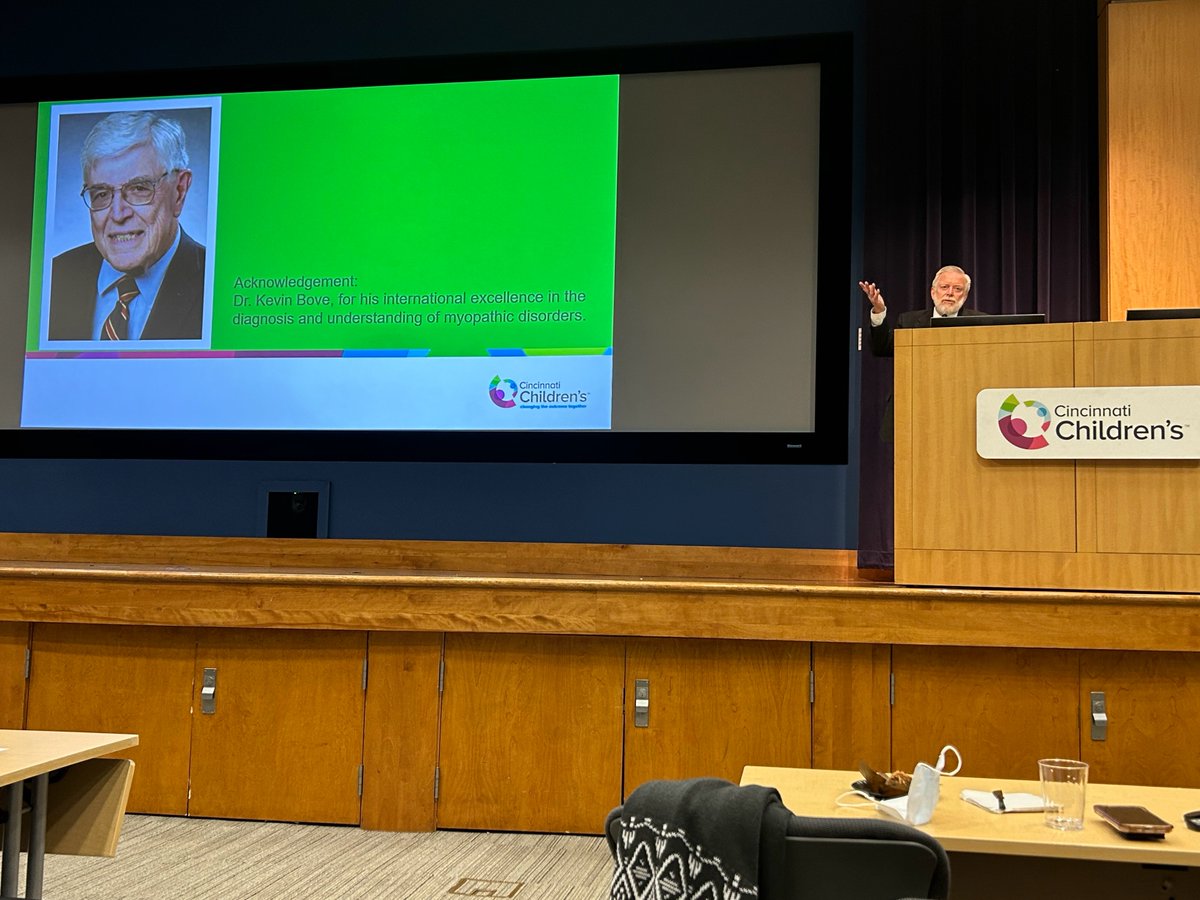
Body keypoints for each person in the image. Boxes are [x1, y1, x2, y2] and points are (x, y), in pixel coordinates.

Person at [48, 111, 205, 341]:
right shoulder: (56, 275)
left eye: (140, 188)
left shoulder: (215, 282)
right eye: (101, 194)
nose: (118, 214)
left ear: (179, 191)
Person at [858, 265, 986, 358]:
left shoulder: (980, 323)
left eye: (957, 289)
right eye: (944, 287)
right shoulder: (909, 321)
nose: (950, 293)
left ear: (965, 296)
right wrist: (879, 310)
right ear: (933, 292)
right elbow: (881, 349)